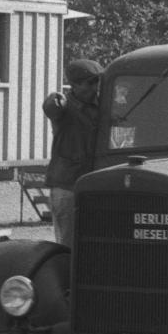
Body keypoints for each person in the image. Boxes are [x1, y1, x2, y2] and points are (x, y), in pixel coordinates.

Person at [42, 58, 102, 246]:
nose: (95, 87)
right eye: (90, 82)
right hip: (67, 185)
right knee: (68, 245)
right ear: (74, 85)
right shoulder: (65, 107)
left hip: (94, 184)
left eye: (98, 82)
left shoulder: (102, 106)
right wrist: (54, 100)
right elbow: (51, 108)